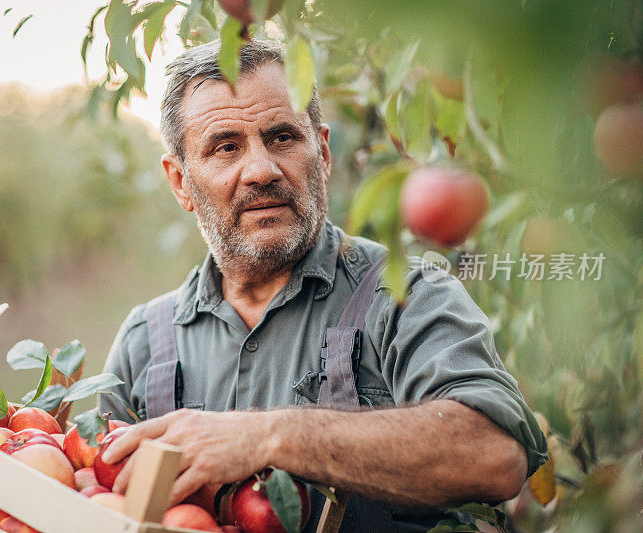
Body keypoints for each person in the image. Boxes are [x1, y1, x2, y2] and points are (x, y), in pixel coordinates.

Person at [97, 39, 547, 532]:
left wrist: (269, 436)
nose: (262, 169)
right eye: (226, 147)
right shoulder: (144, 343)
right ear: (181, 181)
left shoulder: (405, 294)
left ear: (324, 152)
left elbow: (494, 454)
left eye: (284, 137)